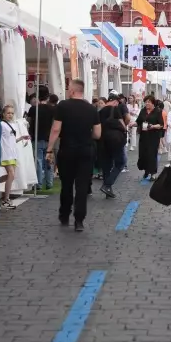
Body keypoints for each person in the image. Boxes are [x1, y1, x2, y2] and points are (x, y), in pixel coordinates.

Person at [46, 79, 101, 232]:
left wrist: (49, 149)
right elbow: (97, 133)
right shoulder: (91, 109)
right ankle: (79, 220)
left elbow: (56, 129)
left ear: (72, 91)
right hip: (86, 151)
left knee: (67, 184)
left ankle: (64, 215)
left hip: (67, 150)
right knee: (82, 186)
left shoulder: (63, 106)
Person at [99, 94, 127, 199]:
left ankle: (108, 191)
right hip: (115, 141)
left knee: (107, 165)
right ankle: (107, 185)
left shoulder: (100, 112)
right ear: (115, 102)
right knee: (120, 162)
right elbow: (123, 125)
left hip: (103, 140)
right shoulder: (115, 109)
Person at [27, 87, 55, 192]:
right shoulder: (53, 109)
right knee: (49, 160)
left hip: (36, 137)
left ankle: (38, 183)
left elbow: (28, 122)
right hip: (49, 138)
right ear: (48, 97)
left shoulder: (33, 109)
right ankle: (49, 183)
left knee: (38, 161)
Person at [0, 104, 22, 210]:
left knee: (11, 175)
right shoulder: (1, 125)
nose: (10, 115)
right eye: (8, 113)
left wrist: (21, 138)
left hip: (12, 154)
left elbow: (11, 140)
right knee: (11, 174)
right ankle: (6, 199)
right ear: (3, 114)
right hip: (6, 153)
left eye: (12, 113)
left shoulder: (11, 124)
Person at [136, 96, 164, 181]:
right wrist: (132, 124)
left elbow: (161, 124)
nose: (147, 103)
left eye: (149, 102)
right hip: (143, 136)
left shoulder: (157, 111)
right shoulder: (143, 110)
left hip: (153, 136)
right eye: (146, 102)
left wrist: (153, 126)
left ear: (153, 103)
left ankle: (153, 173)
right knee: (143, 154)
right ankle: (146, 171)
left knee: (152, 154)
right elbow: (138, 121)